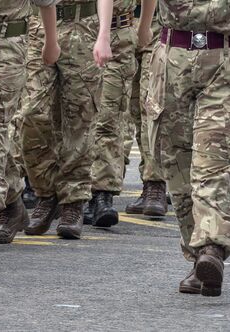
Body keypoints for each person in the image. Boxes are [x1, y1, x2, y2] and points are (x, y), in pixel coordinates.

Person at [140, 0, 230, 297]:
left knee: (212, 158)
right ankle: (198, 256)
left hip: (222, 58)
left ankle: (212, 246)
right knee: (175, 160)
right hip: (172, 56)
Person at [21, 0, 113, 240]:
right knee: (32, 114)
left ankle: (73, 201)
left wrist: (103, 35)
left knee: (79, 119)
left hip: (82, 26)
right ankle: (45, 192)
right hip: (38, 27)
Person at [85, 0, 138, 227]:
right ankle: (59, 194)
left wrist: (144, 25)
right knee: (70, 118)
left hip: (117, 35)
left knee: (108, 117)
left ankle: (101, 194)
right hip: (76, 30)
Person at [123, 1, 168, 217]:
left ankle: (155, 186)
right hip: (121, 23)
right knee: (133, 108)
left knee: (150, 105)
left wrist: (145, 24)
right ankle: (150, 181)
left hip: (155, 24)